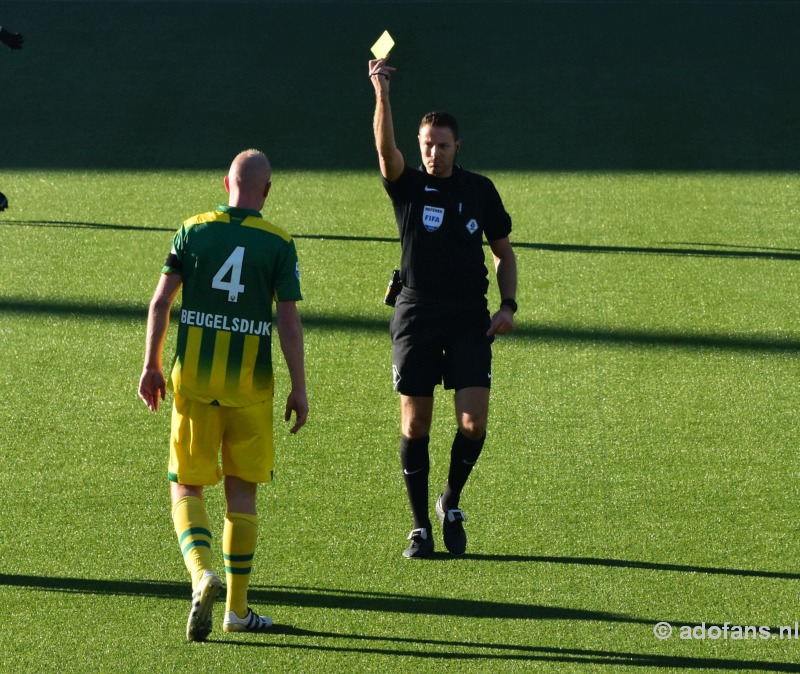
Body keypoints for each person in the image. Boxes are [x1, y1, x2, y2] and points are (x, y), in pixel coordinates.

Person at [138, 149, 308, 640]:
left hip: (193, 384)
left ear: (224, 183)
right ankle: (236, 609)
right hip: (250, 392)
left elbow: (160, 302)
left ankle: (199, 573)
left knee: (186, 485)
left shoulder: (193, 229)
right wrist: (299, 386)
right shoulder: (278, 243)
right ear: (267, 190)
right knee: (242, 496)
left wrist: (151, 365)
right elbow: (289, 324)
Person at [369, 58, 518, 559]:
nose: (433, 153)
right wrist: (382, 93)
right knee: (415, 425)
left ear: (459, 147)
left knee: (474, 424)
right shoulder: (408, 185)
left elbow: (502, 251)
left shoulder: (480, 190)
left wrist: (508, 304)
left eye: (442, 145)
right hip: (415, 315)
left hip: (468, 317)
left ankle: (450, 501)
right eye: (427, 145)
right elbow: (384, 149)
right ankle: (419, 528)